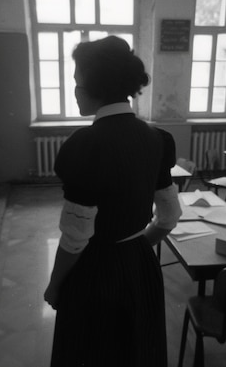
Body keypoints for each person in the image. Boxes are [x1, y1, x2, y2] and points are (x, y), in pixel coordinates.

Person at [44, 36, 182, 367]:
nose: (75, 91)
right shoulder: (157, 138)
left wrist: (54, 285)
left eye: (78, 83)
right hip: (141, 267)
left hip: (95, 273)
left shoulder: (86, 145)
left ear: (95, 87)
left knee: (90, 351)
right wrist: (134, 245)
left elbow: (77, 238)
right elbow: (169, 217)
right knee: (137, 348)